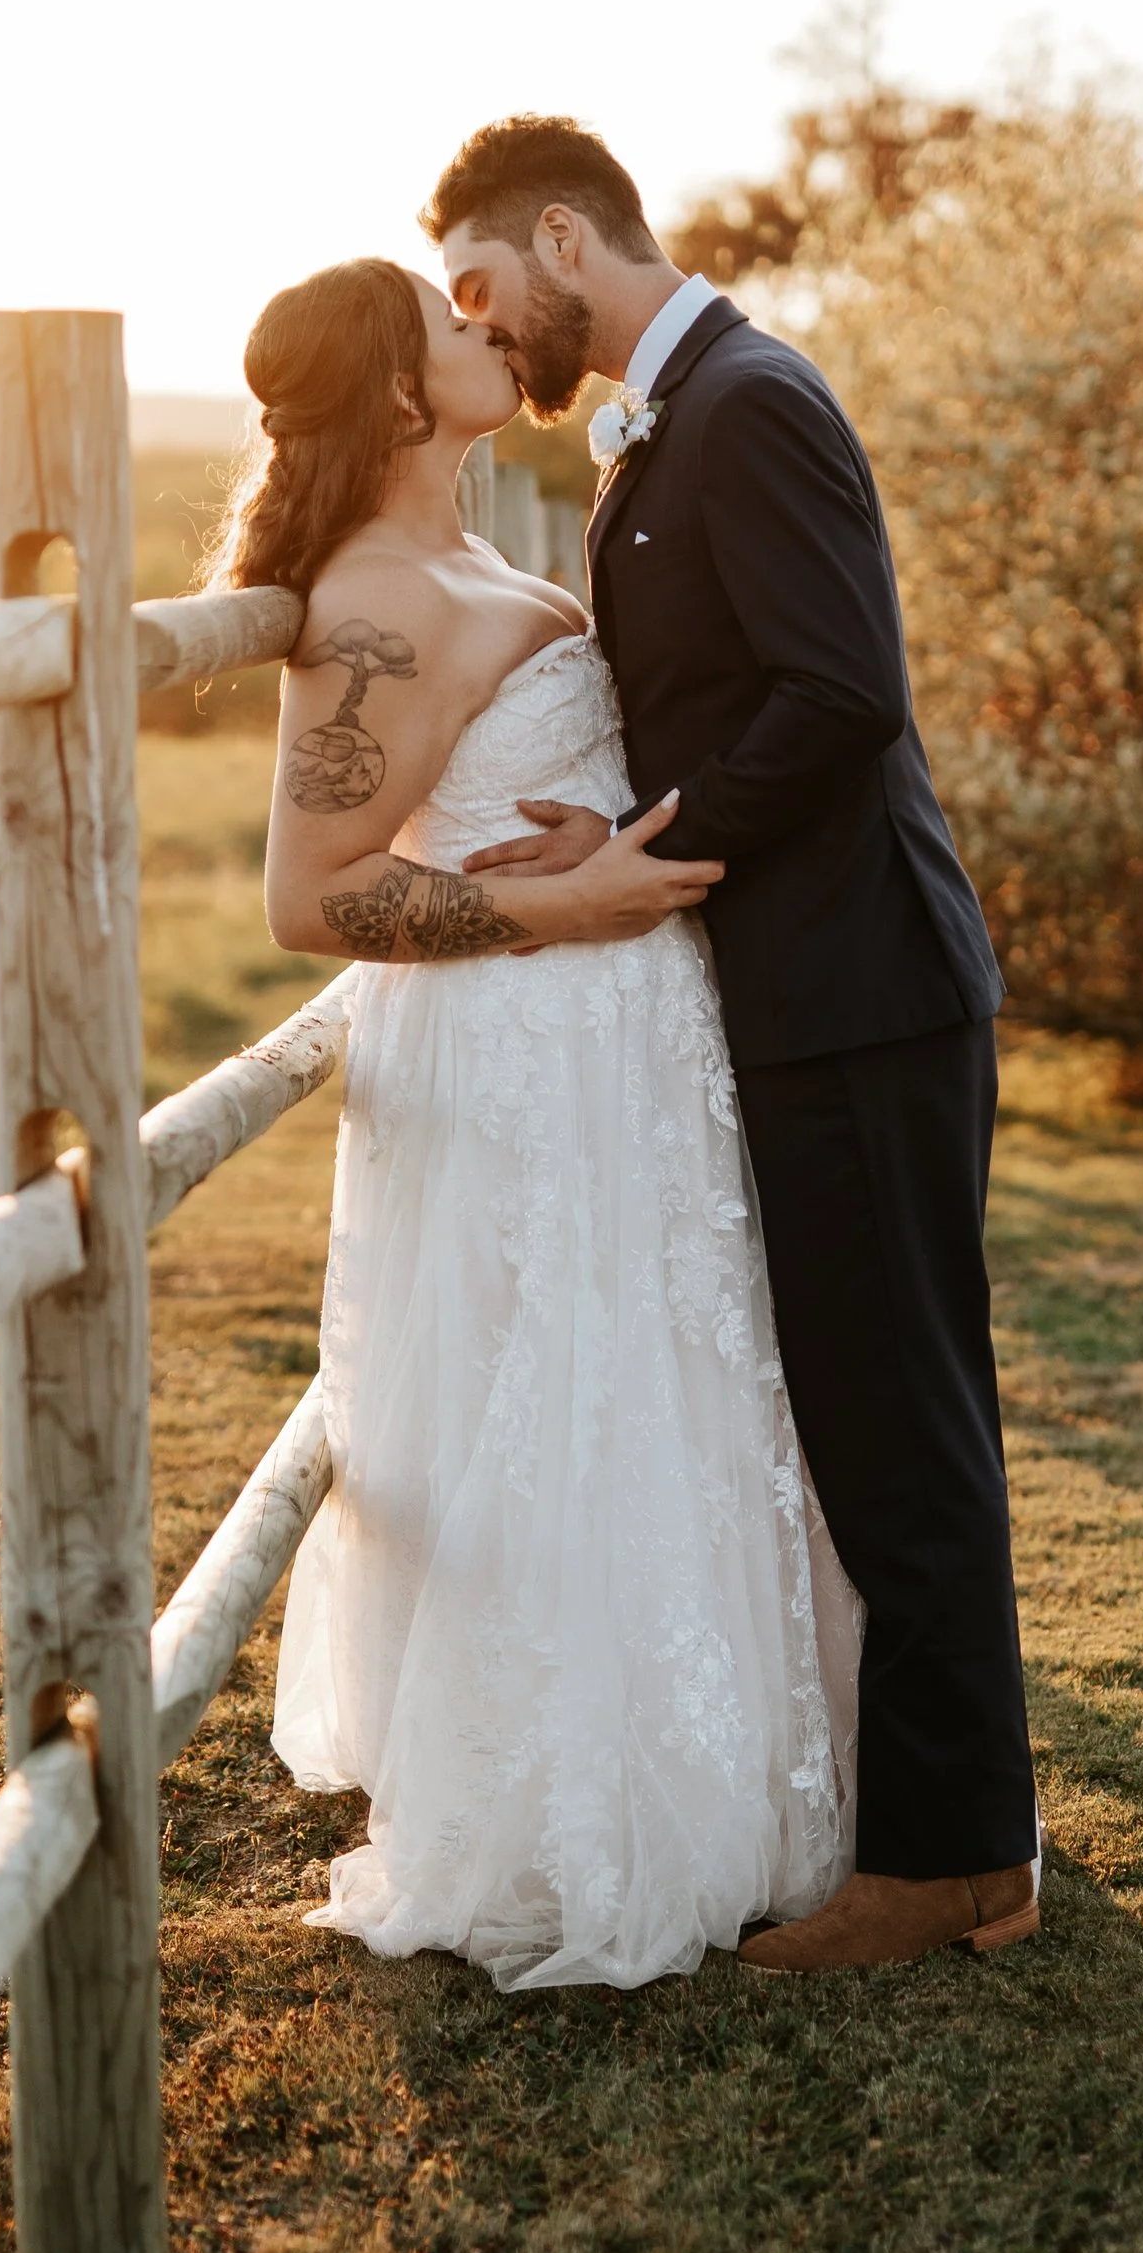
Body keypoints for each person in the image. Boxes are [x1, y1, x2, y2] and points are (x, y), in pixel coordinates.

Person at [424, 116, 1042, 1972]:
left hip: (856, 991)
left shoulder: (749, 402)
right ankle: (962, 1829)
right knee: (881, 1405)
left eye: (475, 286)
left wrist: (648, 854)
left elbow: (842, 694)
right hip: (819, 988)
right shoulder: (669, 423)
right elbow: (731, 695)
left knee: (898, 1419)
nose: (478, 323)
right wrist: (602, 832)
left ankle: (948, 1868)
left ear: (561, 238)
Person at [225, 254, 858, 1991]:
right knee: (561, 1392)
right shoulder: (376, 599)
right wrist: (566, 911)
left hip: (619, 1037)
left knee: (661, 1379)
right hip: (529, 1035)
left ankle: (713, 1769)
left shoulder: (466, 552)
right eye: (443, 322)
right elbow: (310, 894)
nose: (479, 326)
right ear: (400, 391)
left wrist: (591, 833)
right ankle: (575, 1808)